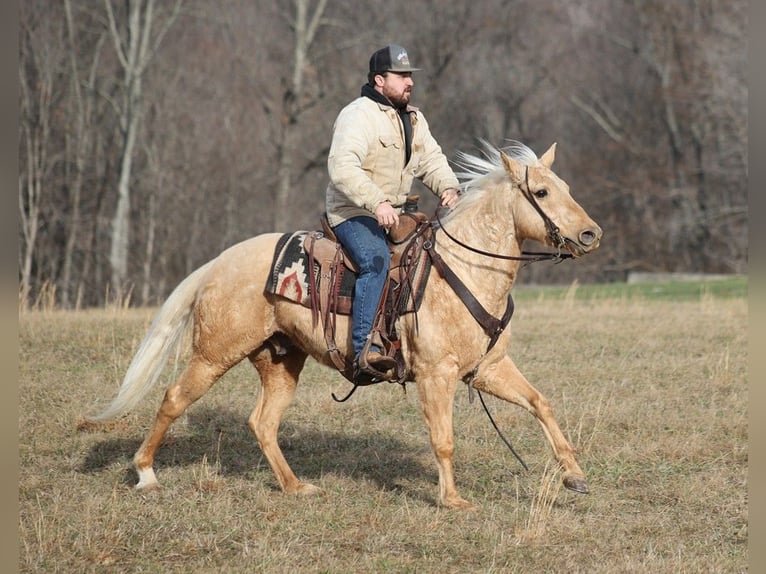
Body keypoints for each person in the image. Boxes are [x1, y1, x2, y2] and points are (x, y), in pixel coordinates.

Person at [325, 44, 460, 380]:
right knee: (376, 260)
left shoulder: (413, 117)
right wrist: (377, 202)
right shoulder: (358, 115)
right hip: (353, 211)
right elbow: (342, 168)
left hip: (396, 214)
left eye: (410, 76)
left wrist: (448, 186)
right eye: (401, 76)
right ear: (380, 80)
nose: (409, 82)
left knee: (433, 257)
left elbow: (431, 159)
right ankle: (365, 350)